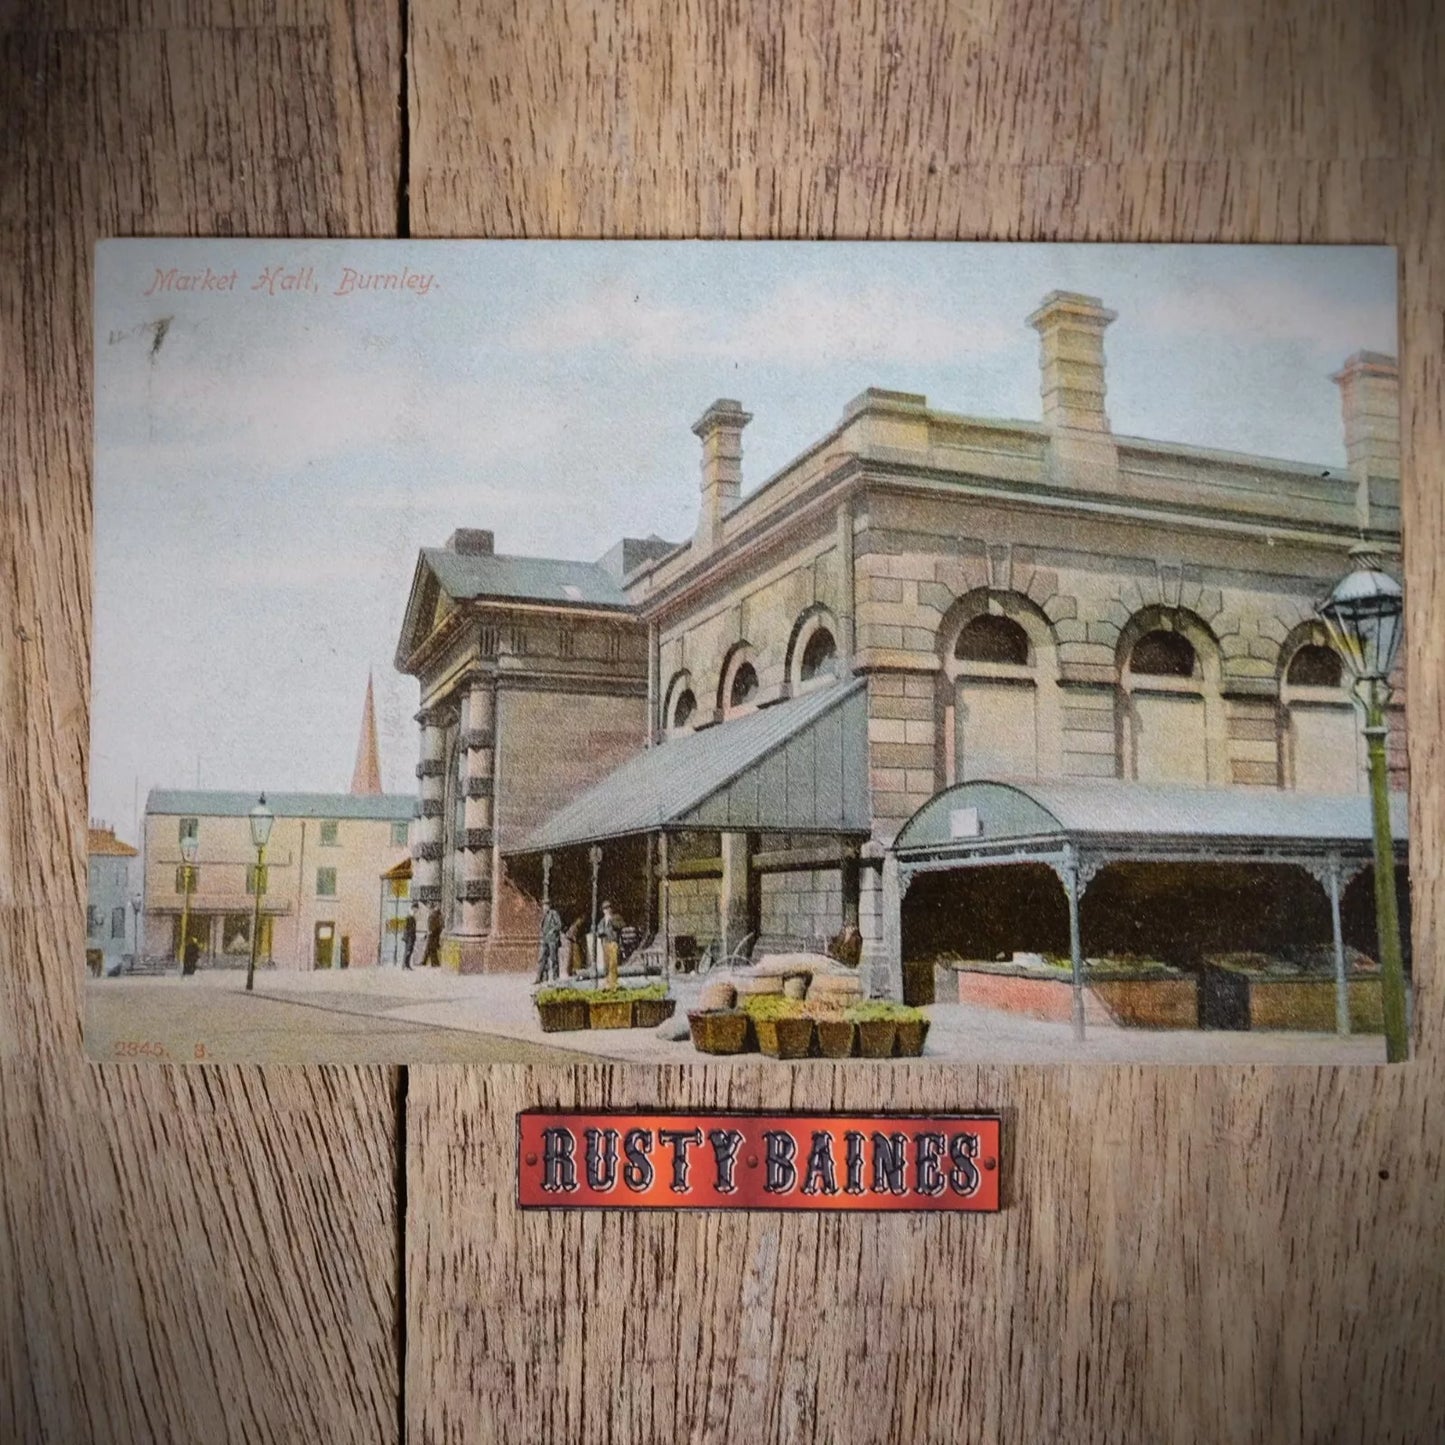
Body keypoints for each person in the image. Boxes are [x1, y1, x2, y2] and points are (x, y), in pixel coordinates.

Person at [596, 900, 623, 989]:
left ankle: (613, 983)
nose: (607, 910)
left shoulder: (616, 917)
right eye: (605, 908)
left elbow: (620, 926)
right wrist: (601, 932)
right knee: (606, 965)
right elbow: (598, 931)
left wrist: (611, 920)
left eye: (608, 908)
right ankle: (607, 982)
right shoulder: (602, 921)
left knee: (613, 964)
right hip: (605, 943)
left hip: (613, 943)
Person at [535, 903, 564, 983]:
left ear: (549, 906)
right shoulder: (544, 915)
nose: (544, 908)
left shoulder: (553, 914)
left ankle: (556, 977)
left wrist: (552, 931)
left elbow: (559, 925)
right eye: (543, 906)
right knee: (542, 958)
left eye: (545, 906)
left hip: (552, 940)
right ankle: (540, 977)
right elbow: (542, 926)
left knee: (553, 958)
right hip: (545, 940)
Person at [420, 903, 443, 968]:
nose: (428, 910)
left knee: (431, 949)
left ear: (431, 908)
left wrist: (430, 931)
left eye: (429, 908)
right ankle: (426, 962)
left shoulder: (433, 915)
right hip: (433, 935)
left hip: (432, 935)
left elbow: (434, 926)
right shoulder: (436, 915)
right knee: (430, 948)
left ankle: (434, 963)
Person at [401, 904, 418, 970]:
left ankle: (407, 965)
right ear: (413, 908)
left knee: (409, 951)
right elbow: (407, 928)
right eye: (416, 909)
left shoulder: (411, 916)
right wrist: (408, 936)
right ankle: (405, 965)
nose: (417, 911)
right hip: (409, 937)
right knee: (408, 950)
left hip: (410, 936)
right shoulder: (409, 916)